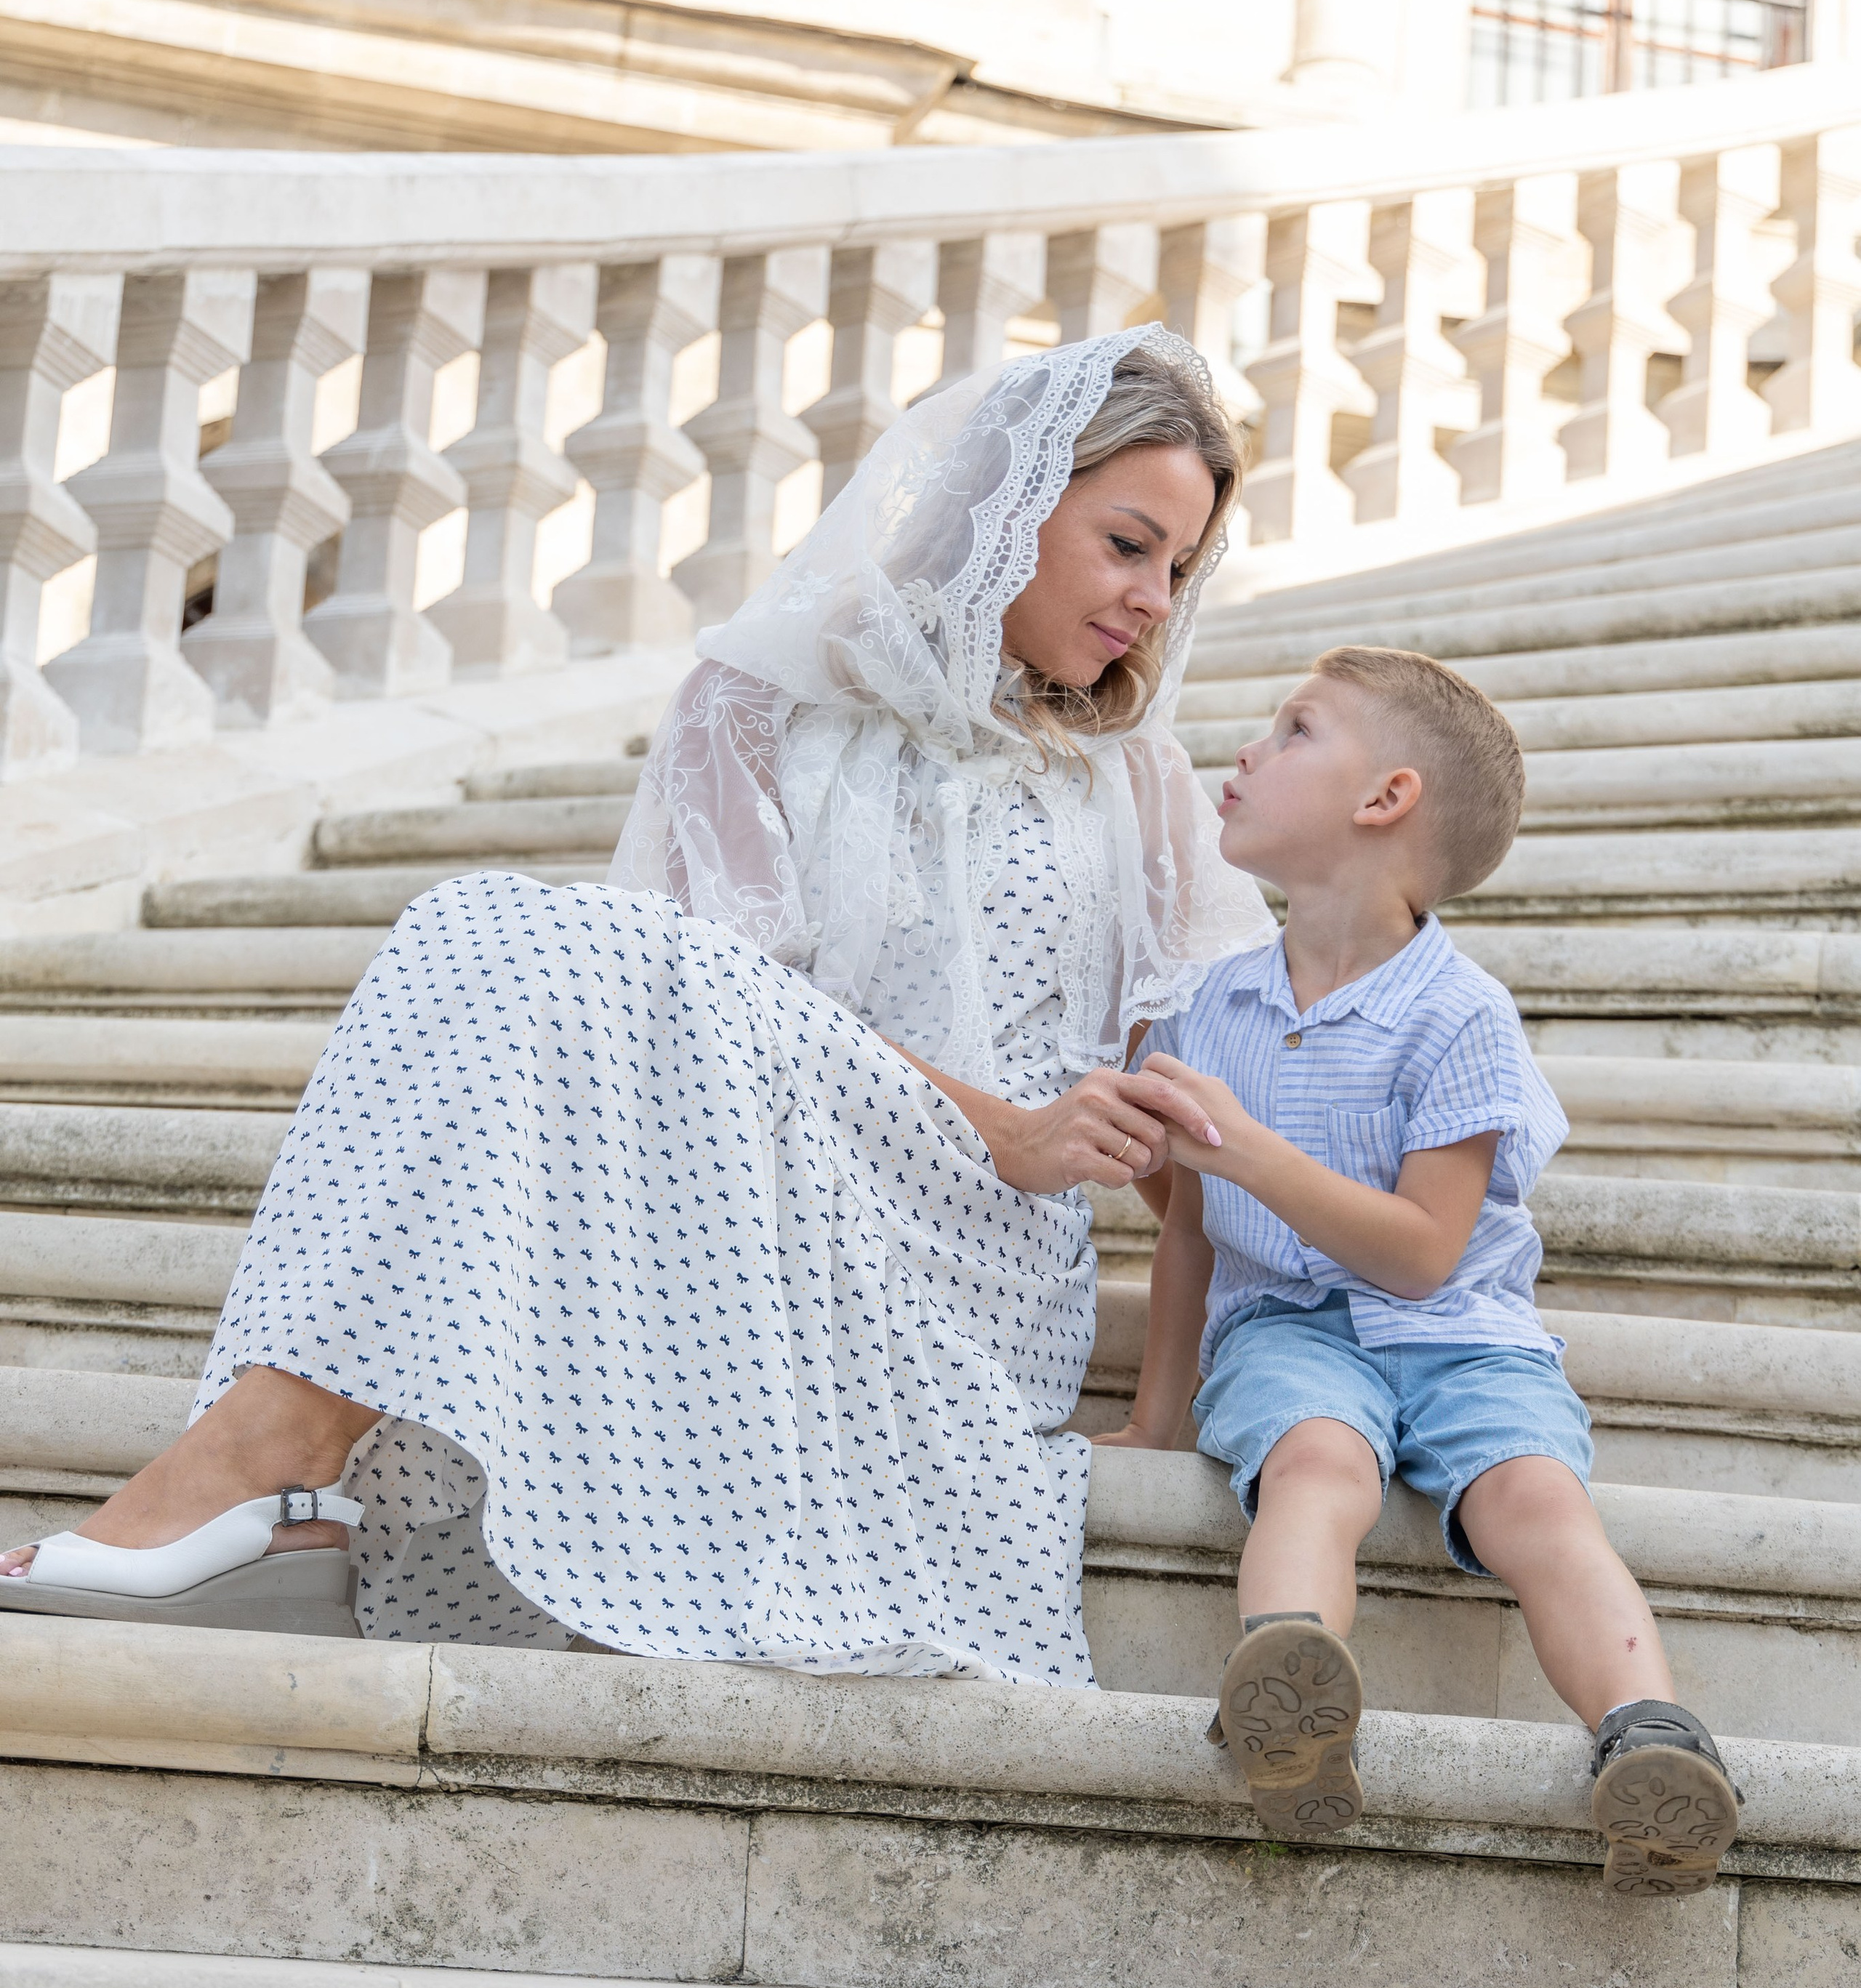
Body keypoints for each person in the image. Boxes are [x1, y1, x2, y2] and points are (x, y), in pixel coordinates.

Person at [0, 326, 1274, 1681]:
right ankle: (279, 1461)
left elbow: (1206, 1126)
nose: (1154, 598)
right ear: (1010, 498)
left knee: (541, 931)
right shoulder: (757, 699)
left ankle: (269, 1468)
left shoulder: (1136, 780)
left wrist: (1185, 1385)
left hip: (969, 1273)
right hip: (741, 1198)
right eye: (1128, 544)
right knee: (490, 927)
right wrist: (1003, 1122)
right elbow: (697, 1026)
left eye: (1179, 568)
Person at [1099, 644, 1743, 1897]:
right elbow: (1190, 1232)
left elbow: (1421, 1252)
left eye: (1296, 729)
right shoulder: (1206, 1009)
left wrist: (1244, 1147)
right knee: (1317, 1466)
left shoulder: (1462, 1016)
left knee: (1535, 1500)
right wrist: (1152, 1420)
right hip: (1288, 1330)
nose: (1247, 749)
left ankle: (1650, 1739)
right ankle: (1290, 1688)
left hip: (1463, 1332)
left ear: (1385, 798)